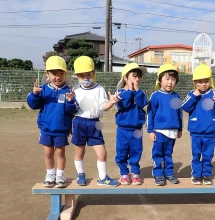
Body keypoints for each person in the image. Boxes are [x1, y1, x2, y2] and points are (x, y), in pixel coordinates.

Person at [27, 56, 78, 188]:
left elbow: (71, 110)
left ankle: (60, 176)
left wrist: (71, 101)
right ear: (47, 74)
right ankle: (50, 175)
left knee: (60, 153)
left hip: (61, 129)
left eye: (61, 73)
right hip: (46, 128)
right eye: (54, 73)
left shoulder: (68, 91)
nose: (58, 77)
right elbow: (34, 105)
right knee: (48, 153)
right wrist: (34, 94)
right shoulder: (43, 89)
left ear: (65, 74)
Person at [72, 56, 119, 187]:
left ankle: (102, 177)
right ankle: (80, 174)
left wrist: (111, 102)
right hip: (79, 122)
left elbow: (103, 107)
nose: (86, 78)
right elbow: (70, 108)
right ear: (76, 76)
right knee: (79, 152)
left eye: (88, 74)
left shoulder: (99, 89)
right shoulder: (75, 90)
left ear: (93, 73)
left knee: (102, 152)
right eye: (82, 75)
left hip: (95, 123)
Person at [182, 63, 215, 185]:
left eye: (206, 81)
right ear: (194, 82)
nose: (203, 84)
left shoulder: (214, 93)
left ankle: (206, 174)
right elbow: (185, 107)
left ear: (210, 80)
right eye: (199, 81)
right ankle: (196, 175)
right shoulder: (192, 94)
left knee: (208, 154)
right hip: (195, 131)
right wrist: (193, 96)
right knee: (196, 154)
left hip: (210, 131)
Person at [147, 63, 183, 186]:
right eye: (167, 79)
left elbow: (180, 113)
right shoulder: (155, 96)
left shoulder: (176, 96)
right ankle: (158, 174)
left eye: (173, 79)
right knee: (158, 154)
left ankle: (169, 172)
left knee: (168, 154)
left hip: (172, 131)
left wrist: (180, 128)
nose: (170, 82)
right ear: (159, 80)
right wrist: (150, 130)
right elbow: (150, 113)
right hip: (159, 131)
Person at [114, 63, 148, 185]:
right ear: (125, 78)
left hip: (137, 129)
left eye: (139, 77)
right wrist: (130, 92)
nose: (137, 79)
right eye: (134, 76)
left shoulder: (140, 92)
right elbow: (124, 104)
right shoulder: (120, 92)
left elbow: (142, 103)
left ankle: (135, 173)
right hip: (122, 129)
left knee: (136, 151)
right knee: (121, 151)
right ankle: (124, 172)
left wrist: (137, 91)